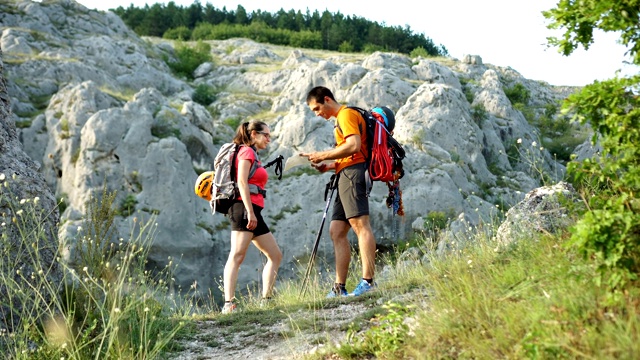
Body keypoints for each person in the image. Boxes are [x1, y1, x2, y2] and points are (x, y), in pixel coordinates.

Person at [301, 86, 377, 298]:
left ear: (327, 99)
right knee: (336, 231)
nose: (317, 114)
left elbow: (354, 146)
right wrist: (328, 166)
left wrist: (323, 154)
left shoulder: (345, 115)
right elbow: (348, 152)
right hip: (345, 173)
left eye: (317, 108)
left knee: (360, 225)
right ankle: (338, 287)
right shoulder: (341, 119)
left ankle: (368, 282)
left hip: (354, 174)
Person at [222, 121, 283, 313]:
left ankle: (267, 300)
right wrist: (249, 211)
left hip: (253, 211)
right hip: (243, 209)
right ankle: (228, 304)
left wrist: (252, 212)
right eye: (266, 135)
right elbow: (241, 181)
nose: (268, 139)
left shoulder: (253, 154)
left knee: (275, 255)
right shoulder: (247, 152)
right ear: (254, 134)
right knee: (237, 255)